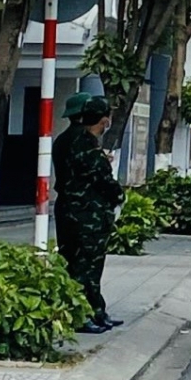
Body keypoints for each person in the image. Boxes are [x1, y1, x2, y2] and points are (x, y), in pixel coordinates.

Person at [53, 94, 122, 334]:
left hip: (72, 210)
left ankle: (95, 311)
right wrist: (119, 195)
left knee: (80, 264)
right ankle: (81, 315)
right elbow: (102, 179)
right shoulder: (83, 142)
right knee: (85, 267)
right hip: (86, 214)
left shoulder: (64, 140)